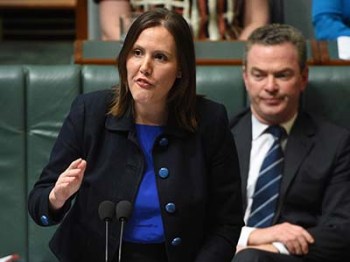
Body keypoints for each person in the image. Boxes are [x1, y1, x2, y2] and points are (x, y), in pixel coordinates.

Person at [28, 8, 244, 262]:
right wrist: (57, 197)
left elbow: (226, 223)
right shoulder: (90, 112)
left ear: (181, 69)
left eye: (160, 57)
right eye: (137, 52)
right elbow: (39, 203)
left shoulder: (210, 121)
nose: (144, 67)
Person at [230, 23, 350, 261]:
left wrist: (268, 249)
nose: (270, 87)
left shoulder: (337, 144)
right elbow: (193, 220)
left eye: (282, 75)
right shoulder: (221, 135)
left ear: (303, 78)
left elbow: (342, 231)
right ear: (245, 77)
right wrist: (253, 237)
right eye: (259, 74)